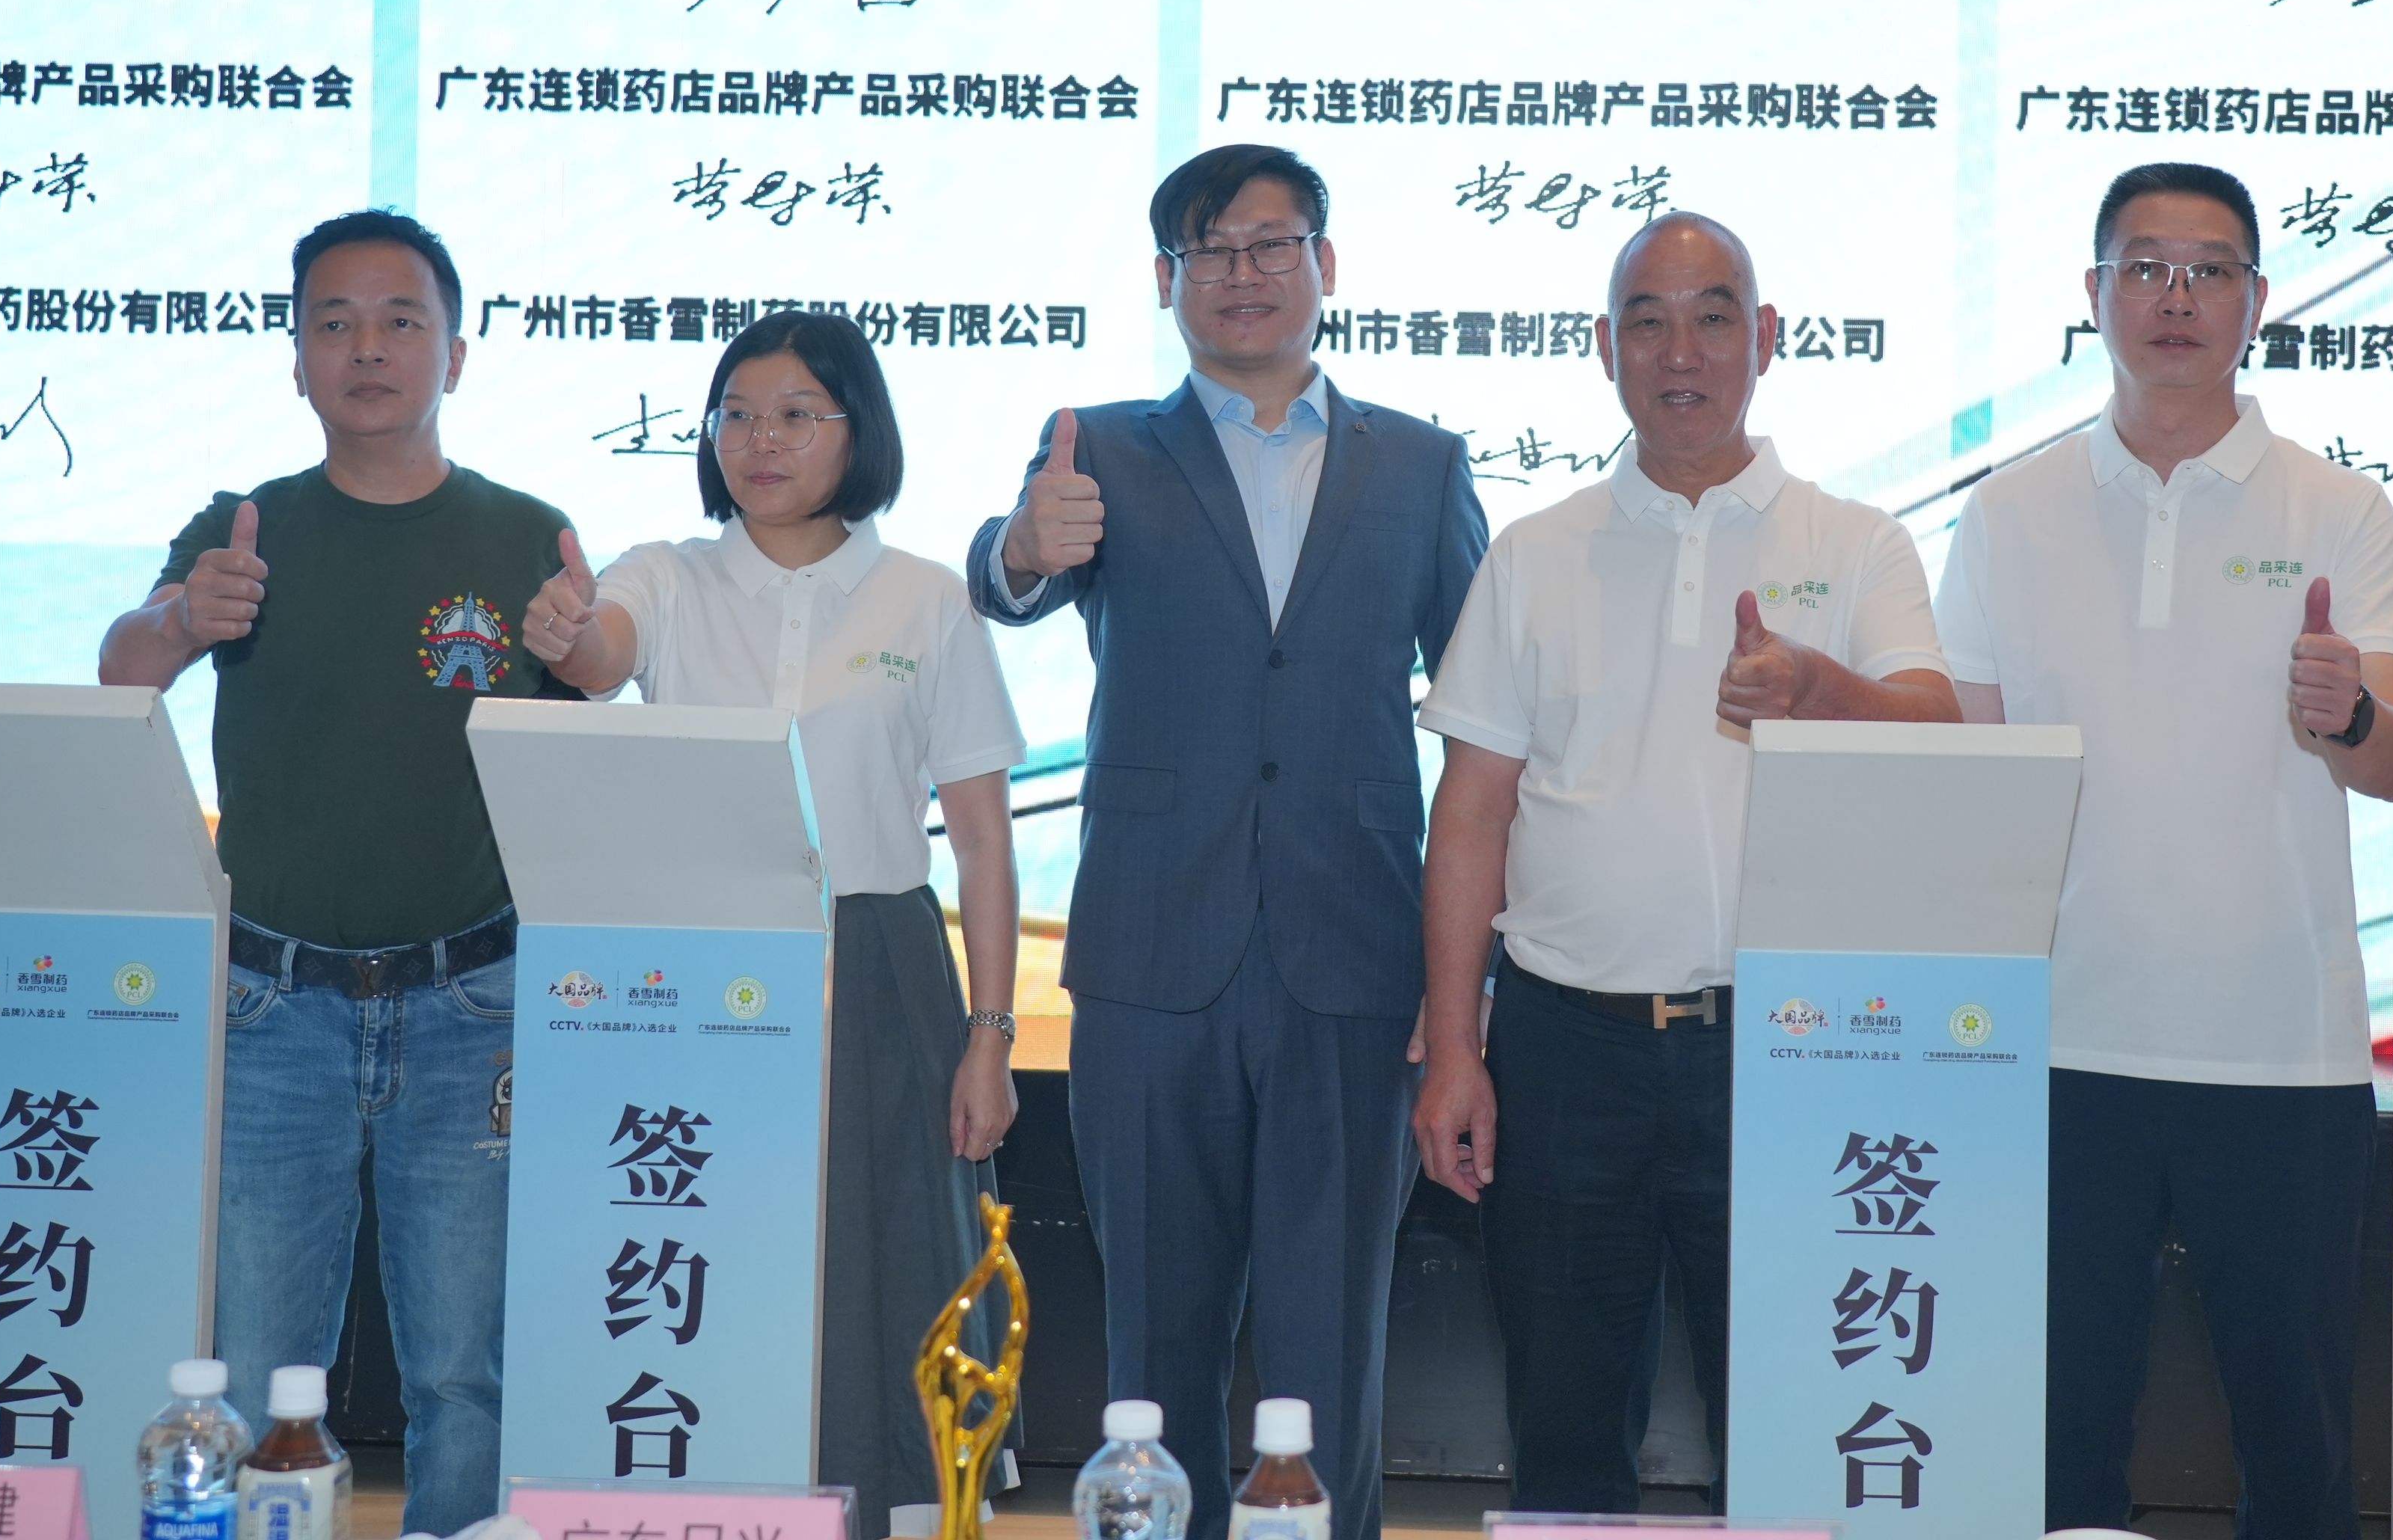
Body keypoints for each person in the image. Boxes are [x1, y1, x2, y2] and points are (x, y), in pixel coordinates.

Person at [968, 143, 1487, 1540]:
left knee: (1332, 1353)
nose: (1243, 273)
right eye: (1211, 250)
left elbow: (1490, 722)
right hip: (1152, 957)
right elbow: (1004, 582)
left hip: (1353, 956)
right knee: (1156, 1348)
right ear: (1166, 280)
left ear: (1327, 264)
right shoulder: (1096, 448)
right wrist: (1022, 546)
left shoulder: (1421, 464)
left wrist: (1465, 991)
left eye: (1273, 244)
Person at [1410, 212, 1959, 1512]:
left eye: (1714, 317)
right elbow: (1471, 815)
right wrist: (1455, 1049)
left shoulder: (1854, 542)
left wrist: (1817, 685)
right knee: (1565, 1426)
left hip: (1789, 1046)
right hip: (1565, 1046)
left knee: (1789, 1427)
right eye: (1647, 322)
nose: (1681, 352)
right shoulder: (1535, 552)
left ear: (1764, 339)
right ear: (1605, 350)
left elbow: (1938, 733)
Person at [1931, 162, 2393, 1540]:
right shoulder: (2008, 511)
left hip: (2279, 1048)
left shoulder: (2340, 509)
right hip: (2054, 1044)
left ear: (2258, 302)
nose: (2177, 296)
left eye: (2210, 271)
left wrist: (2349, 709)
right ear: (2093, 296)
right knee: (2056, 1446)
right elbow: (1968, 775)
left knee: (2298, 1452)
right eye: (2145, 266)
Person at [96, 209, 574, 1534]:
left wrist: (588, 646)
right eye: (335, 323)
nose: (368, 348)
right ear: (297, 358)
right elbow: (124, 667)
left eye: (402, 321)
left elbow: (588, 725)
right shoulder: (245, 528)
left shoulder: (525, 535)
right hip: (271, 1007)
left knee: (468, 1373)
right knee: (253, 1367)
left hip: (473, 1003)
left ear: (455, 355)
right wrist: (183, 617)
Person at [525, 309, 1026, 1540]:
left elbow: (981, 838)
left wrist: (991, 1035)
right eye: (738, 415)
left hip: (879, 966)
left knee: (881, 1268)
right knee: (701, 1245)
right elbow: (601, 656)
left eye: (799, 414)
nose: (762, 440)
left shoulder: (925, 600)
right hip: (697, 973)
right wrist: (570, 636)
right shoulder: (668, 574)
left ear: (860, 432)